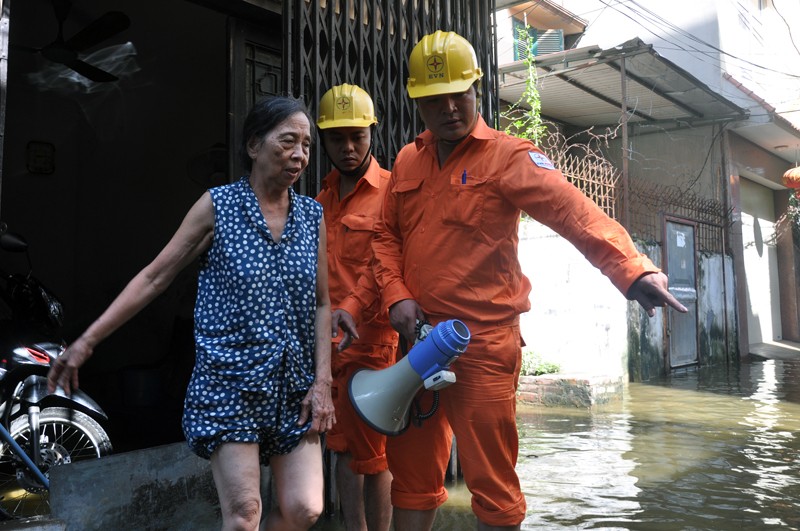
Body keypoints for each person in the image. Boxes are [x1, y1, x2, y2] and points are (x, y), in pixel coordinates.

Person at [371, 30, 689, 531]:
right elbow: (385, 237)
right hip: (414, 341)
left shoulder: (509, 158)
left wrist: (631, 270)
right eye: (436, 99)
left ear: (477, 90)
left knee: (492, 484)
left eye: (460, 94)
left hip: (482, 347)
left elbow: (573, 212)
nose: (450, 107)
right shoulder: (408, 161)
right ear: (418, 100)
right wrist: (397, 295)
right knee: (410, 474)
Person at [46, 96, 335, 531]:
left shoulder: (312, 216)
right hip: (230, 383)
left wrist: (323, 382)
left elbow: (321, 302)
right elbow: (154, 278)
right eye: (288, 141)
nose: (299, 156)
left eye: (307, 145)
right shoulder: (218, 206)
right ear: (254, 146)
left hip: (293, 385)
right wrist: (88, 340)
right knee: (243, 516)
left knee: (304, 509)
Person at [314, 83, 398, 531]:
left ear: (372, 134)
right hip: (328, 351)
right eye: (336, 138)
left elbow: (392, 266)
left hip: (373, 347)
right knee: (342, 448)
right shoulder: (319, 202)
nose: (347, 148)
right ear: (323, 139)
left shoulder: (392, 192)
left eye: (357, 137)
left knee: (375, 456)